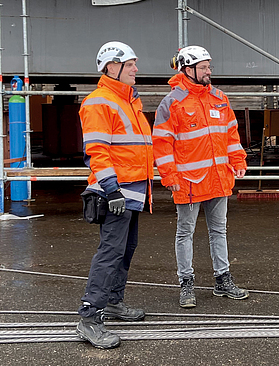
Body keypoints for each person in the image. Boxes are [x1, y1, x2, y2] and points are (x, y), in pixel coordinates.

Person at [152, 45, 249, 308]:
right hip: (189, 181)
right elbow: (162, 143)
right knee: (185, 233)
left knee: (219, 231)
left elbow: (231, 134)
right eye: (203, 67)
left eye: (209, 66)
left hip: (218, 179)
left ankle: (222, 280)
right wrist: (169, 176)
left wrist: (238, 159)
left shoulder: (220, 98)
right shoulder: (172, 102)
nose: (209, 71)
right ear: (188, 70)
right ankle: (186, 284)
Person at [76, 41, 153, 349]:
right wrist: (112, 190)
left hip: (132, 192)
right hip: (116, 193)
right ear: (111, 67)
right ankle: (89, 318)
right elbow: (97, 150)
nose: (136, 68)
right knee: (110, 254)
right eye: (131, 64)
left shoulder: (130, 102)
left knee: (126, 249)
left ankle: (113, 303)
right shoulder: (99, 102)